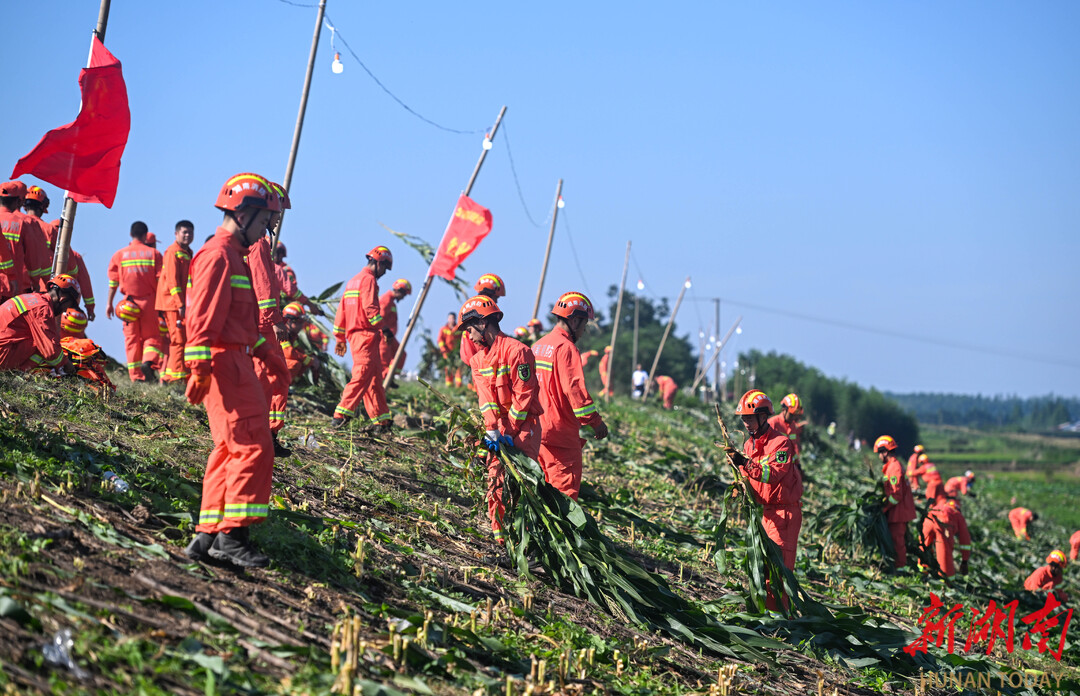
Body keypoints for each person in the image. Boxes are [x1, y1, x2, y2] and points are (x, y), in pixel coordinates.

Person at [183, 172, 278, 569]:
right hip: (226, 364)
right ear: (243, 213)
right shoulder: (219, 254)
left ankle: (207, 536)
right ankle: (232, 535)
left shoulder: (231, 255)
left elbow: (234, 317)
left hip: (232, 359)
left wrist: (264, 351)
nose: (265, 233)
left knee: (228, 449)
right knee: (253, 447)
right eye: (263, 222)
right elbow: (202, 315)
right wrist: (199, 365)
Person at [458, 295, 542, 545]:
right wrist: (492, 430)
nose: (469, 337)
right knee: (495, 481)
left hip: (525, 428)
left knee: (522, 486)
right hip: (500, 429)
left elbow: (524, 397)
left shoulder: (519, 352)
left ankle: (524, 540)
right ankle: (499, 539)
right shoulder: (477, 361)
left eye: (470, 330)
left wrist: (511, 432)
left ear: (484, 324)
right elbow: (486, 400)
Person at [723, 390, 802, 611]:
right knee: (763, 567)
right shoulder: (749, 445)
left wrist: (745, 464)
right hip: (767, 512)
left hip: (784, 515)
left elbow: (773, 474)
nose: (747, 423)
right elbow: (751, 478)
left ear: (763, 416)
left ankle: (781, 618)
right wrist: (739, 480)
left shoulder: (782, 443)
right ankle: (767, 615)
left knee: (779, 571)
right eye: (744, 419)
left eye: (750, 418)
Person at [532, 292, 608, 500]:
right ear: (574, 321)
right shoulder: (566, 348)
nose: (583, 331)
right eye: (584, 325)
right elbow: (575, 392)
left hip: (536, 431)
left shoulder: (538, 345)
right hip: (560, 434)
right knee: (563, 497)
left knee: (540, 494)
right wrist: (596, 422)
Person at [247, 189, 292, 454]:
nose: (279, 219)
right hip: (264, 324)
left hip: (260, 321)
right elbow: (263, 284)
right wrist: (274, 319)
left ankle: (268, 434)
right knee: (270, 380)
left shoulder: (256, 241)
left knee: (275, 379)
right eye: (278, 213)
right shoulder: (260, 243)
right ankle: (263, 434)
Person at [331, 246, 392, 429]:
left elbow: (341, 311)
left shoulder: (353, 282)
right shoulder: (369, 280)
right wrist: (384, 328)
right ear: (379, 263)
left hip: (356, 336)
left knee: (373, 379)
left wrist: (340, 337)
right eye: (385, 269)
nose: (384, 273)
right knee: (362, 374)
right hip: (365, 335)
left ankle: (382, 421)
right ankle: (340, 415)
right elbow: (371, 310)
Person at [107, 221, 164, 381]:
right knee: (152, 337)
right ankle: (148, 361)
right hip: (150, 302)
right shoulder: (154, 254)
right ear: (146, 235)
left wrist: (109, 303)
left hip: (128, 305)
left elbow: (113, 282)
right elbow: (161, 282)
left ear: (131, 234)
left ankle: (136, 376)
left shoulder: (119, 255)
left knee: (131, 340)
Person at [0, 274, 80, 371]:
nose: (64, 310)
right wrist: (67, 365)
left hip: (4, 346)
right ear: (63, 298)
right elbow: (50, 350)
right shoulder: (42, 309)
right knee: (42, 345)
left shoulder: (33, 298)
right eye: (68, 305)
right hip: (3, 354)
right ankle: (21, 372)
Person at [155, 220, 194, 384]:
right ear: (176, 233)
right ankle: (173, 379)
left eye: (190, 232)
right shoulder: (172, 252)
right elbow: (173, 281)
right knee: (178, 339)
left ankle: (174, 376)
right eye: (184, 232)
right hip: (173, 304)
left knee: (182, 339)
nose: (187, 235)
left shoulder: (187, 252)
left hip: (180, 304)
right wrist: (180, 304)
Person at [874, 435, 916, 569]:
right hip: (898, 510)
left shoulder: (894, 468)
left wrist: (884, 507)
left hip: (899, 512)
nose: (879, 456)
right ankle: (896, 565)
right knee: (895, 539)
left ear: (885, 452)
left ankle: (900, 568)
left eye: (880, 453)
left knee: (897, 541)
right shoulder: (892, 466)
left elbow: (896, 495)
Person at [460, 274, 506, 374]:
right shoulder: (475, 326)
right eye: (496, 297)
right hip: (484, 374)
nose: (496, 301)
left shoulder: (472, 318)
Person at [921, 491, 971, 577]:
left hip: (929, 518)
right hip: (943, 522)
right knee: (944, 552)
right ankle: (945, 580)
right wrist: (965, 560)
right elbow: (965, 539)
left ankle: (923, 572)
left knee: (924, 545)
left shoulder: (941, 505)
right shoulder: (957, 514)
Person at [273, 241, 322, 317]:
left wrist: (308, 304)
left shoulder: (285, 271)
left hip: (284, 308)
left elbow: (291, 290)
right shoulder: (267, 267)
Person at [378, 278, 412, 383]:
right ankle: (384, 381)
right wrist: (386, 332)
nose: (403, 298)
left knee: (401, 354)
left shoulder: (391, 302)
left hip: (390, 337)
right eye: (404, 294)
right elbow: (380, 318)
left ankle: (390, 376)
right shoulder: (386, 300)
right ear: (400, 291)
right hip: (384, 336)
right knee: (384, 361)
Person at [280, 302, 319, 383]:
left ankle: (287, 387)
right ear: (288, 321)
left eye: (302, 322)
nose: (301, 326)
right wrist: (309, 360)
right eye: (299, 322)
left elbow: (297, 350)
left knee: (301, 363)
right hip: (264, 370)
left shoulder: (291, 335)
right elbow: (288, 353)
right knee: (294, 364)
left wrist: (311, 357)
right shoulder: (281, 332)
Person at [437, 312, 462, 387]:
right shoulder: (443, 329)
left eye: (453, 318)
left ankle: (458, 386)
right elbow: (440, 340)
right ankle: (449, 385)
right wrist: (443, 348)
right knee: (448, 369)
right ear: (448, 319)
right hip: (447, 353)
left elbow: (462, 339)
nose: (452, 320)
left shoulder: (459, 329)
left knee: (458, 368)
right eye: (450, 318)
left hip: (457, 353)